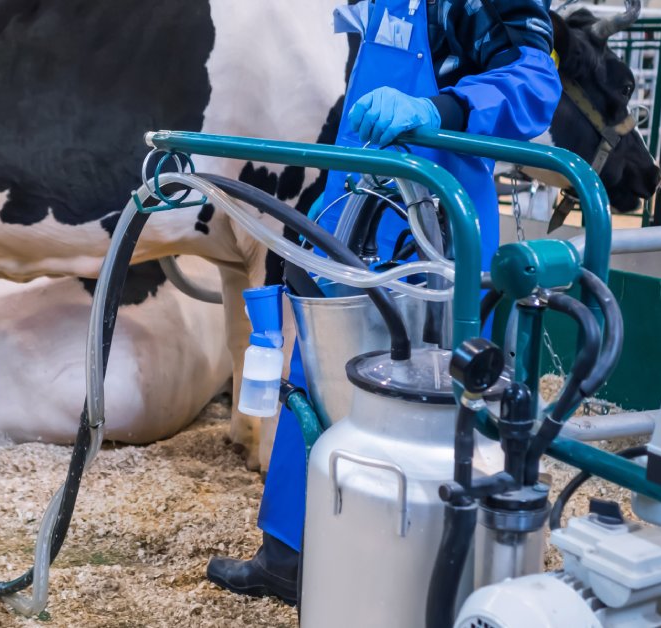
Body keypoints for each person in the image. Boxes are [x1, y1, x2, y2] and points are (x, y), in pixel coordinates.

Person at [206, 0, 563, 605]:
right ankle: (286, 558)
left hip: (433, 225)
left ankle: (397, 572)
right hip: (356, 203)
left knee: (413, 402)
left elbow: (534, 83)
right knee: (313, 375)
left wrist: (436, 109)